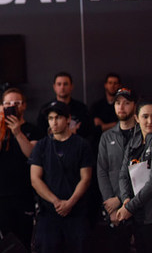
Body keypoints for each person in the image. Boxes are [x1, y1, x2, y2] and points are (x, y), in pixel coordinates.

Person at [29, 101, 94, 253]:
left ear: (68, 119)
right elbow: (35, 179)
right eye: (51, 118)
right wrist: (56, 202)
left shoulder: (81, 145)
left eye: (58, 117)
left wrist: (70, 203)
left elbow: (86, 178)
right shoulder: (41, 146)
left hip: (76, 212)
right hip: (49, 213)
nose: (54, 122)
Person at [0, 88, 43, 250]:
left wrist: (17, 132)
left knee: (25, 239)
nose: (11, 107)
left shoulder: (33, 130)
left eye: (16, 103)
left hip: (25, 193)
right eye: (7, 104)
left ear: (23, 106)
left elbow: (31, 154)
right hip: (1, 195)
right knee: (7, 242)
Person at [96, 88, 138, 252]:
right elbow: (101, 170)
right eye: (118, 103)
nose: (121, 107)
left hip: (140, 204)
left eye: (126, 103)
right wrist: (110, 204)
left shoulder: (144, 134)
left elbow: (144, 174)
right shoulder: (107, 137)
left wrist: (120, 199)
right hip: (114, 208)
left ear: (135, 105)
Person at [117, 99, 152, 253]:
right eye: (145, 116)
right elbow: (123, 175)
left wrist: (129, 207)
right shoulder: (133, 143)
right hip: (138, 215)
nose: (150, 121)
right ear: (137, 118)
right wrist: (125, 199)